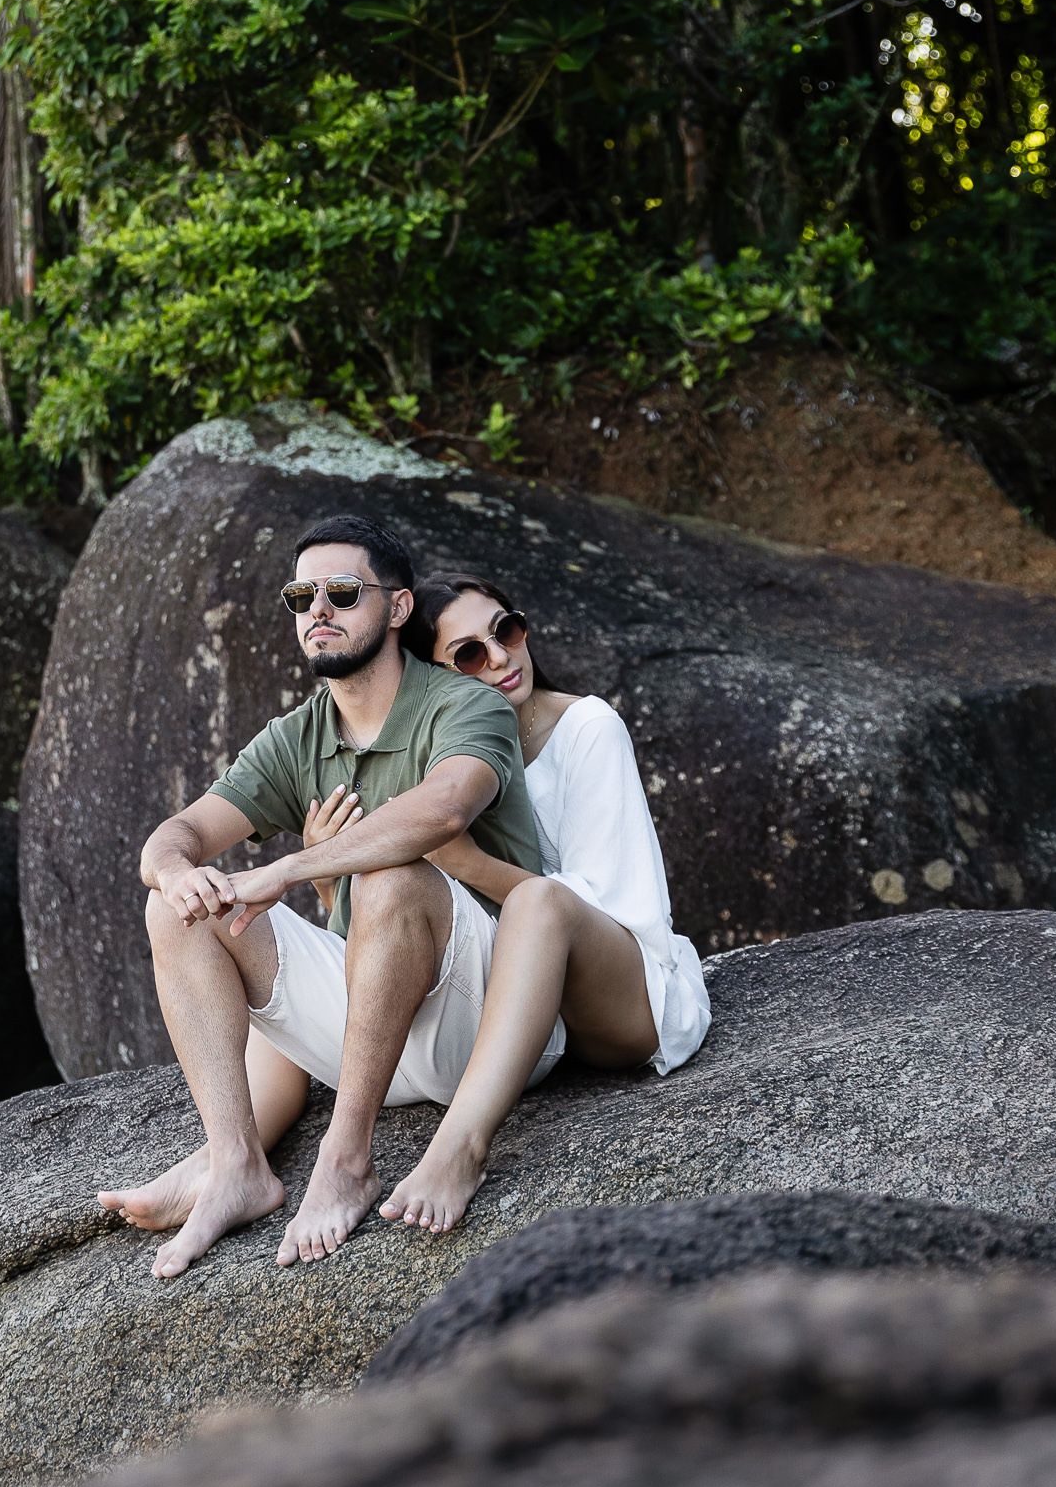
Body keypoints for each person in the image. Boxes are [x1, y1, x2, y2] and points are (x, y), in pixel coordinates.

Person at [99, 514, 558, 1279]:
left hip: (490, 1018)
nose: (317, 610)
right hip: (375, 1032)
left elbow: (445, 810)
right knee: (175, 909)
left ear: (399, 607)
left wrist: (289, 869)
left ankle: (346, 1160)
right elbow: (175, 836)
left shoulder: (463, 705)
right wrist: (176, 872)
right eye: (300, 597)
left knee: (392, 874)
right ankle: (236, 1164)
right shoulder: (297, 737)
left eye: (342, 593)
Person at [317, 573, 709, 1235]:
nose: (501, 657)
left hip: (628, 999)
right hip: (531, 1023)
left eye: (507, 630)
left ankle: (461, 1147)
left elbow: (611, 907)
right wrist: (329, 873)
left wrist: (466, 861)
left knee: (540, 902)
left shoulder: (587, 727)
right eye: (469, 654)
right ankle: (228, 1159)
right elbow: (392, 931)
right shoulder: (438, 764)